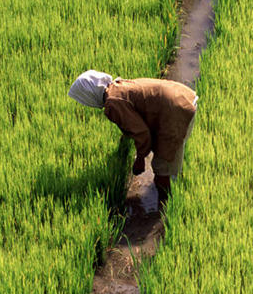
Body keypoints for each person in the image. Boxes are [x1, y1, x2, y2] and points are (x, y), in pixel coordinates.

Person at [68, 70, 197, 208]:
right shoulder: (117, 86)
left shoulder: (112, 102)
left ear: (89, 94)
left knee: (161, 169)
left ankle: (166, 208)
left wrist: (140, 159)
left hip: (175, 112)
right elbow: (135, 113)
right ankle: (174, 193)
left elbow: (142, 133)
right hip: (184, 96)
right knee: (171, 160)